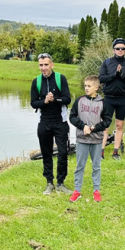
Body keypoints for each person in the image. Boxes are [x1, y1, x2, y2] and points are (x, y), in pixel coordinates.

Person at [30, 53, 72, 195]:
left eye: (46, 65)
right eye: (41, 65)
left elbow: (67, 99)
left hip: (60, 122)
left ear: (52, 65)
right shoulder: (36, 82)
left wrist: (55, 99)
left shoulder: (61, 79)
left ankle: (60, 183)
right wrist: (45, 102)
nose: (44, 68)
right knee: (46, 154)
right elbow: (33, 103)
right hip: (44, 123)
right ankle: (49, 183)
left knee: (63, 153)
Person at [69, 75, 112, 202]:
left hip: (97, 140)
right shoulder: (79, 100)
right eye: (85, 86)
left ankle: (96, 190)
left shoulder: (103, 103)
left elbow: (107, 121)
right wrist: (83, 127)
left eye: (89, 86)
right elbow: (72, 117)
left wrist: (94, 128)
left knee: (96, 166)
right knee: (79, 166)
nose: (86, 88)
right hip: (82, 139)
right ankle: (77, 191)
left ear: (96, 87)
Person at [99, 38, 125, 160]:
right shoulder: (107, 62)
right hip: (109, 98)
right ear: (113, 50)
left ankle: (115, 152)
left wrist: (122, 76)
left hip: (122, 99)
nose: (120, 50)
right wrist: (114, 75)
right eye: (118, 48)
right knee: (105, 125)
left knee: (119, 125)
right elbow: (101, 78)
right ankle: (101, 151)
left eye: (123, 49)